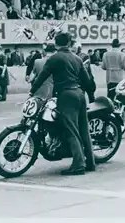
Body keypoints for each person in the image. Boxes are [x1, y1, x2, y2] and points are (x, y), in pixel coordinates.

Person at [30, 32, 96, 176]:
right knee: (84, 129)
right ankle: (90, 162)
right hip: (79, 94)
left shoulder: (54, 58)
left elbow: (42, 76)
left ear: (56, 43)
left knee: (71, 130)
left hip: (66, 96)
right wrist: (90, 94)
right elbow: (87, 80)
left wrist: (32, 91)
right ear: (68, 43)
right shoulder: (77, 58)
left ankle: (78, 165)